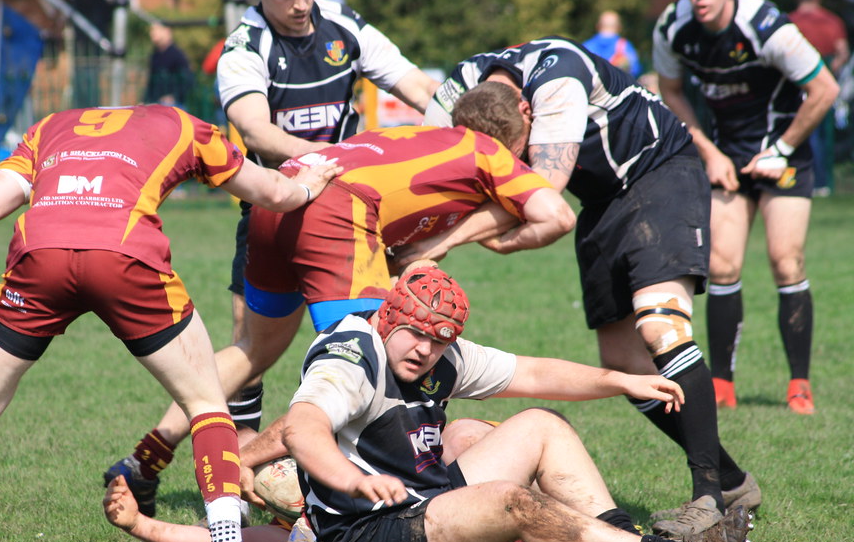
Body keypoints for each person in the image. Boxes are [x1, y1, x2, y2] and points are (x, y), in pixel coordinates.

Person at [0, 104, 340, 542]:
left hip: (39, 260)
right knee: (207, 403)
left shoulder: (51, 128)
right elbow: (272, 192)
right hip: (124, 259)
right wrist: (308, 183)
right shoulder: (183, 126)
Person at [103, 118, 577, 517]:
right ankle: (306, 489)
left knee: (255, 351)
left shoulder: (423, 133)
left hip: (282, 196)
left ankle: (145, 459)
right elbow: (556, 216)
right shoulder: (492, 152)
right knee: (367, 361)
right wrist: (453, 242)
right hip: (336, 208)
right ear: (516, 140)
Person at [419, 37, 760, 538]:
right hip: (602, 202)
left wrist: (441, 242)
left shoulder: (559, 79)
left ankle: (708, 496)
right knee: (623, 360)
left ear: (525, 109)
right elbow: (425, 169)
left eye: (515, 156)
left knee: (660, 323)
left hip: (659, 171)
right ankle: (731, 478)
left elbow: (540, 193)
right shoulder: (454, 93)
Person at [280, 266, 750, 542]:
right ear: (386, 316)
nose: (425, 350)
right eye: (416, 334)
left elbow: (533, 373)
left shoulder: (442, 354)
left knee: (541, 426)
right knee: (511, 500)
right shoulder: (350, 355)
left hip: (423, 506)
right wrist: (355, 481)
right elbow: (301, 430)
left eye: (438, 340)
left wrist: (619, 380)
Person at [211, 0, 438, 437]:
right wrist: (328, 159)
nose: (300, 3)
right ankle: (241, 458)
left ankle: (377, 450)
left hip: (351, 212)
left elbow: (419, 89)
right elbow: (256, 131)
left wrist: (462, 132)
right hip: (272, 208)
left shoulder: (345, 26)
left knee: (369, 332)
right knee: (250, 342)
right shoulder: (244, 48)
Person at [653, 0, 839, 415]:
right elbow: (670, 90)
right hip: (727, 156)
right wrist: (710, 152)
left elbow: (825, 89)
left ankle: (799, 385)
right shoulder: (672, 28)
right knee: (721, 264)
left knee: (785, 259)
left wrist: (781, 150)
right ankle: (721, 385)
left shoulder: (768, 26)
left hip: (784, 152)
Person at [789, 0, 850, 197]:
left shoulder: (789, 22)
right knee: (823, 134)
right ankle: (823, 182)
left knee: (804, 131)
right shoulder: (831, 22)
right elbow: (842, 52)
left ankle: (807, 180)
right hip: (826, 84)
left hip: (796, 86)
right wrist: (832, 66)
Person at [142, 22, 195, 108]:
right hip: (156, 104)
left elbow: (189, 80)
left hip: (173, 106)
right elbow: (151, 84)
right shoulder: (155, 55)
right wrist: (144, 101)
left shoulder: (176, 55)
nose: (152, 33)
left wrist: (173, 96)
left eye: (156, 29)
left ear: (167, 31)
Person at [583, 10, 643, 80]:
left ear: (598, 26)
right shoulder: (624, 46)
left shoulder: (586, 46)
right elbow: (636, 70)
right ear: (619, 27)